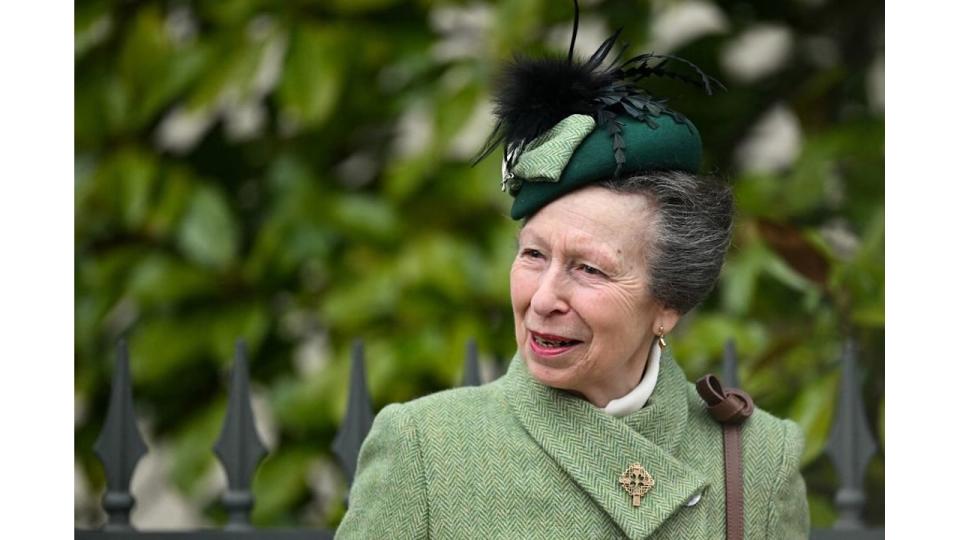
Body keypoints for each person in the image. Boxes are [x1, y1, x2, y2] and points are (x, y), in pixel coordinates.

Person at [336, 5, 809, 539]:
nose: (543, 299)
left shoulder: (760, 461)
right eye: (533, 255)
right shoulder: (425, 448)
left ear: (668, 302)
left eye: (587, 268)